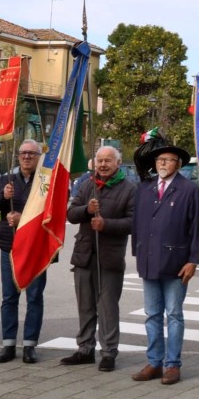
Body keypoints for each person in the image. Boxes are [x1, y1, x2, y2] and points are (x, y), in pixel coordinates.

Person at [131, 139, 199, 385]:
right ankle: (154, 362)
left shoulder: (189, 190)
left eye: (168, 160)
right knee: (152, 314)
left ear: (179, 164)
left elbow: (198, 229)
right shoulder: (145, 188)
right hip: (149, 260)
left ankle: (172, 365)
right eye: (159, 159)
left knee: (174, 314)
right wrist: (138, 253)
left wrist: (193, 260)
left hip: (177, 263)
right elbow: (138, 224)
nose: (163, 163)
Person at [62, 145, 136, 372]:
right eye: (100, 160)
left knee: (107, 308)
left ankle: (108, 352)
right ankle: (85, 349)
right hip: (84, 255)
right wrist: (86, 209)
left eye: (108, 161)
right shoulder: (87, 185)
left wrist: (107, 225)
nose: (103, 165)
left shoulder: (129, 189)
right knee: (85, 306)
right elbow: (71, 214)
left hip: (110, 257)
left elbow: (134, 223)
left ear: (118, 162)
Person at [0, 139, 46, 364]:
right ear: (18, 156)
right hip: (9, 248)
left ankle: (30, 345)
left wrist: (23, 219)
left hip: (36, 250)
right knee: (9, 297)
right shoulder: (5, 180)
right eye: (23, 153)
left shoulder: (46, 181)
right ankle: (8, 344)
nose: (27, 157)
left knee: (34, 297)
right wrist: (3, 196)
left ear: (39, 157)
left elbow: (51, 215)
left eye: (32, 153)